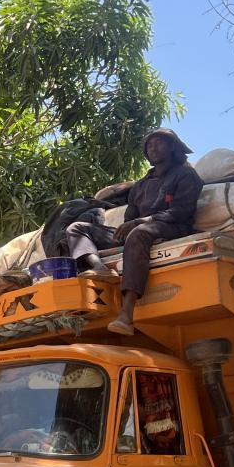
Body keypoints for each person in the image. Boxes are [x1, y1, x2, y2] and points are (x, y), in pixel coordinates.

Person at [62, 128, 203, 335]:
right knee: (77, 228)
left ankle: (126, 315)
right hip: (140, 227)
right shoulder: (141, 185)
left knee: (138, 232)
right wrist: (127, 227)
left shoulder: (186, 175)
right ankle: (99, 268)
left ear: (173, 147)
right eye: (149, 144)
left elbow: (181, 211)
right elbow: (130, 217)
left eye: (159, 142)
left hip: (173, 227)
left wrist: (138, 222)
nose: (152, 147)